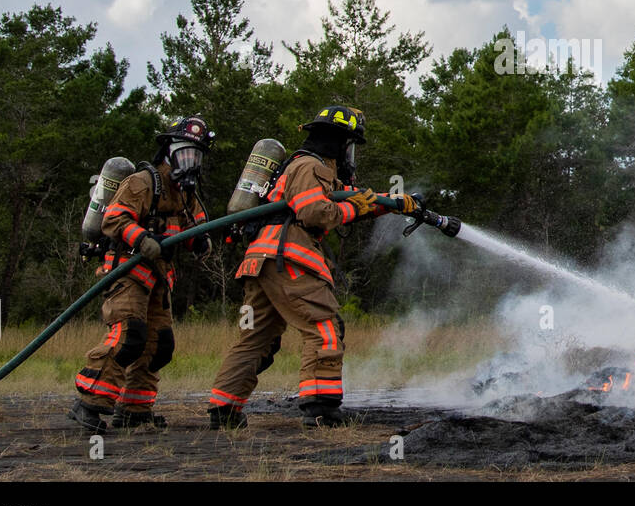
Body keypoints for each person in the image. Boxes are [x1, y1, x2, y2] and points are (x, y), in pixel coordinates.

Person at [207, 105, 415, 428]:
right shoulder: (311, 166)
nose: (351, 155)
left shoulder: (305, 167)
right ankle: (322, 408)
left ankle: (224, 409)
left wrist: (392, 202)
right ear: (336, 141)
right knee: (324, 327)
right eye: (350, 145)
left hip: (262, 262)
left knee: (256, 339)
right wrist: (352, 211)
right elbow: (315, 212)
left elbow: (349, 197)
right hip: (289, 256)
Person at [69, 116, 214, 433]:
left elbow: (194, 226)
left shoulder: (185, 193)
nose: (192, 161)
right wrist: (143, 240)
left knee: (159, 345)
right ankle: (89, 403)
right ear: (169, 151)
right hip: (129, 272)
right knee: (128, 337)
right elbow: (114, 220)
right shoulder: (141, 183)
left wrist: (201, 241)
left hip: (160, 279)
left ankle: (134, 410)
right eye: (187, 153)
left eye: (197, 155)